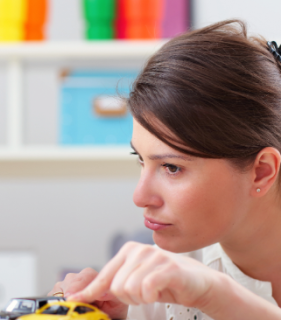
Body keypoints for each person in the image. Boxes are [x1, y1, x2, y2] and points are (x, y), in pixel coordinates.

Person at [50, 20, 281, 319]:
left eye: (171, 167)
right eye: (141, 160)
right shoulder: (156, 290)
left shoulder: (194, 285)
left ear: (262, 171)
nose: (140, 196)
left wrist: (213, 295)